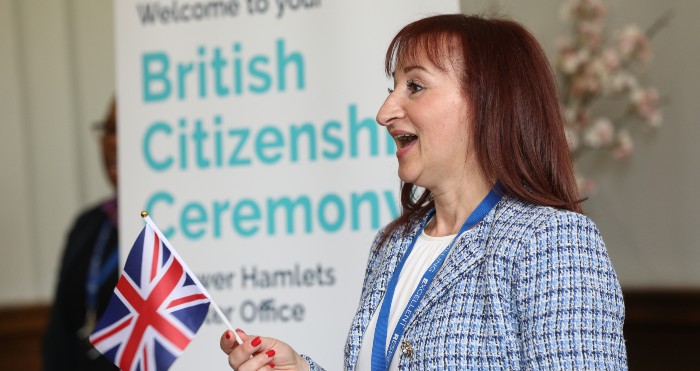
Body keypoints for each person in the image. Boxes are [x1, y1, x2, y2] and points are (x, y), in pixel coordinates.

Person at [219, 14, 627, 370]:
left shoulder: (551, 242)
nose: (384, 113)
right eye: (392, 87)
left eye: (414, 86)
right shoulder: (391, 245)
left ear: (487, 102)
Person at [43, 98, 120, 371]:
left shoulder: (187, 227)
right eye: (109, 129)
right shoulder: (89, 224)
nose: (112, 141)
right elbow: (59, 334)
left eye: (125, 127)